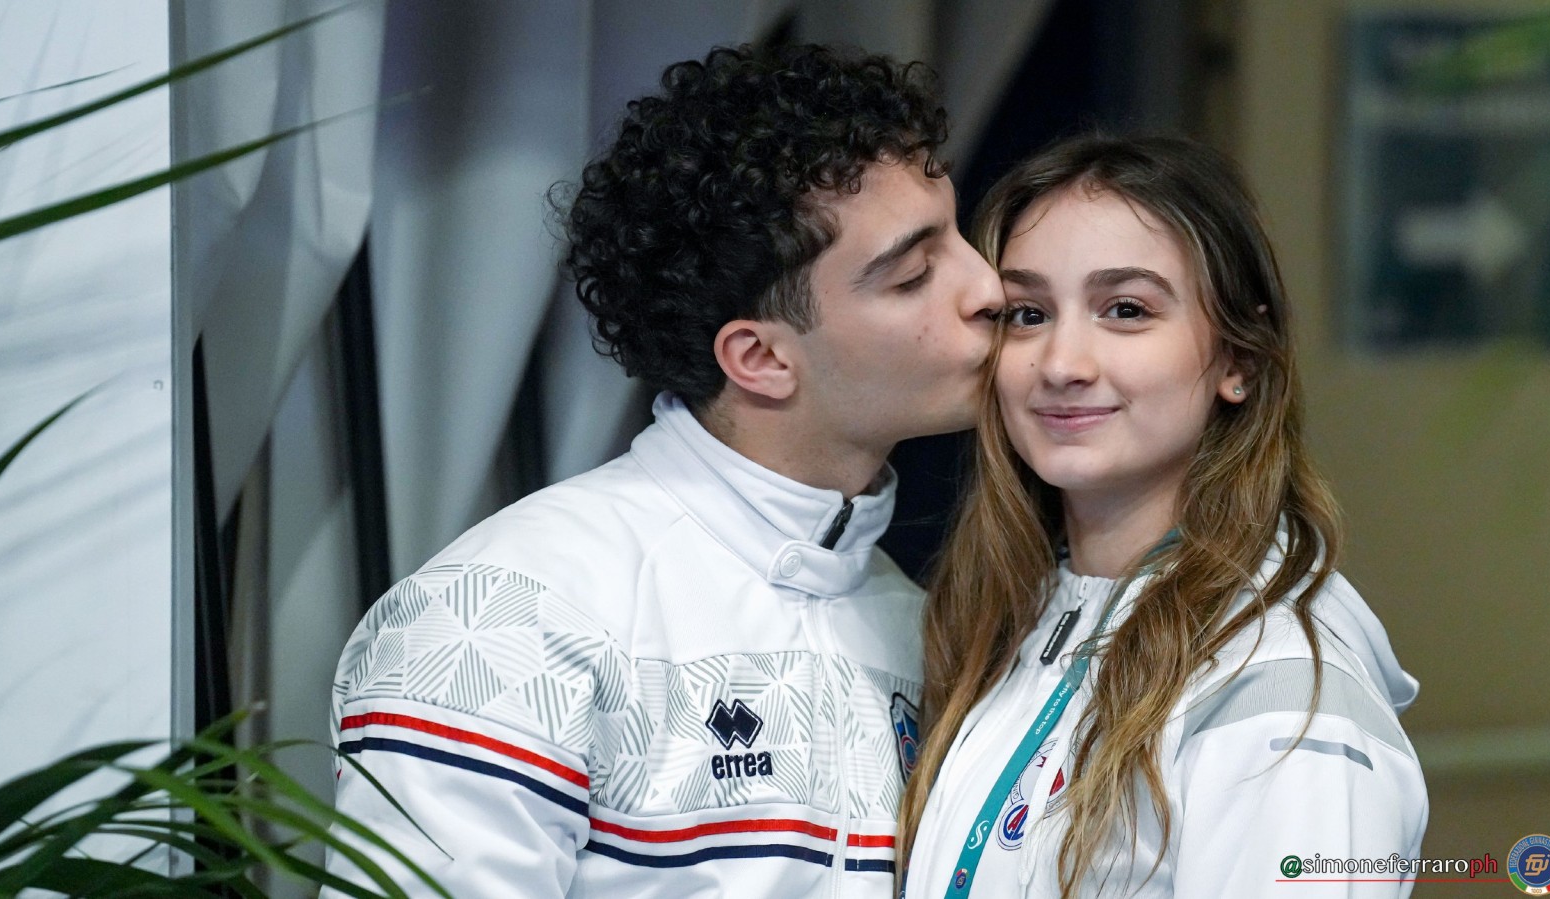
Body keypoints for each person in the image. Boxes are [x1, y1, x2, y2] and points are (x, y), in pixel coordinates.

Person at [324, 43, 1004, 897]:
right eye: (913, 275)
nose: (989, 288)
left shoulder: (922, 621)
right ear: (760, 358)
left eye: (960, 234)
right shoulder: (504, 615)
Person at [898, 135, 1428, 898]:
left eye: (1126, 309)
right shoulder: (1006, 622)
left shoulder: (1278, 689)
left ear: (1239, 360)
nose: (1062, 363)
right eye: (1027, 313)